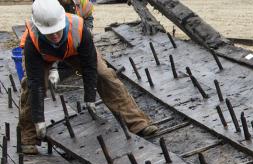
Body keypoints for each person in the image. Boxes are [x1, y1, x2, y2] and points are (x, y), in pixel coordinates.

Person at [18, 0, 157, 155]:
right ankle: (29, 137)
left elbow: (90, 66)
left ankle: (138, 123)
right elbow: (35, 83)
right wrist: (39, 120)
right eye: (50, 33)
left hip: (75, 50)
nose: (55, 35)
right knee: (29, 87)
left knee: (104, 75)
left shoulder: (78, 28)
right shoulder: (32, 41)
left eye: (57, 30)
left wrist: (90, 98)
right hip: (43, 56)